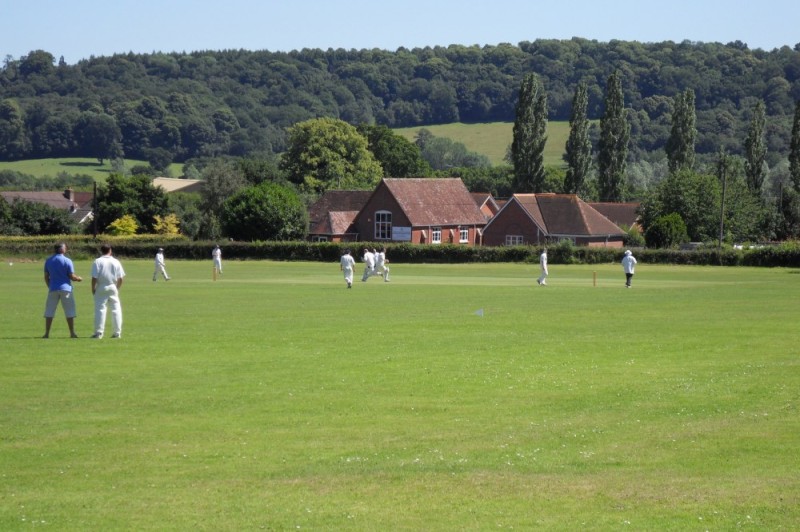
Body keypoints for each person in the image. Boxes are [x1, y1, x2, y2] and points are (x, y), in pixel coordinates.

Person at [43, 242, 83, 338]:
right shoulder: (67, 260)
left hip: (53, 288)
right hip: (66, 289)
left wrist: (50, 286)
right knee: (69, 311)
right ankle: (72, 333)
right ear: (62, 249)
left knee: (49, 311)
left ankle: (47, 333)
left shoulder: (48, 261)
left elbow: (46, 277)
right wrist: (78, 278)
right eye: (65, 247)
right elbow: (71, 276)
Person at [91, 244, 126, 339]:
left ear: (101, 251)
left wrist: (93, 288)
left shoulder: (97, 261)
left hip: (101, 286)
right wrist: (117, 288)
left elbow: (94, 277)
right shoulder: (116, 261)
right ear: (110, 250)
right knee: (116, 310)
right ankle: (117, 332)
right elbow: (121, 278)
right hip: (113, 286)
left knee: (100, 310)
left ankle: (99, 333)